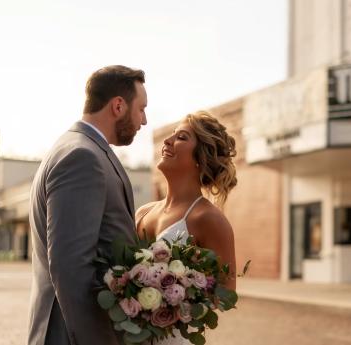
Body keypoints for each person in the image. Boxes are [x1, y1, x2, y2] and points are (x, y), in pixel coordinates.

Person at [28, 65, 148, 345]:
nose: (144, 120)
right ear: (118, 105)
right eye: (141, 109)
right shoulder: (82, 156)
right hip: (72, 335)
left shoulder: (80, 147)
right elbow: (70, 267)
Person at [135, 111, 237, 344]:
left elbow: (227, 295)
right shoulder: (143, 213)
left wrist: (177, 295)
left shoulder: (209, 219)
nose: (168, 142)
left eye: (181, 137)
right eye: (171, 135)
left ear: (200, 157)